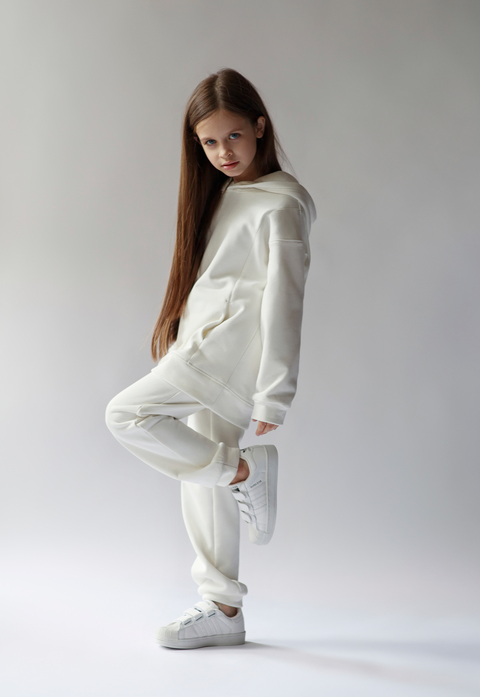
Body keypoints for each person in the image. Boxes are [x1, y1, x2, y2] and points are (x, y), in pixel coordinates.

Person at [105, 67, 316, 650]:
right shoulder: (229, 194)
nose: (224, 152)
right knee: (201, 475)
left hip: (221, 357)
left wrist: (275, 393)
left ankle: (245, 471)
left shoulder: (283, 205)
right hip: (199, 348)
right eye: (210, 142)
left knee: (127, 416)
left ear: (260, 127)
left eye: (234, 136)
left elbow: (285, 301)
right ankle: (223, 607)